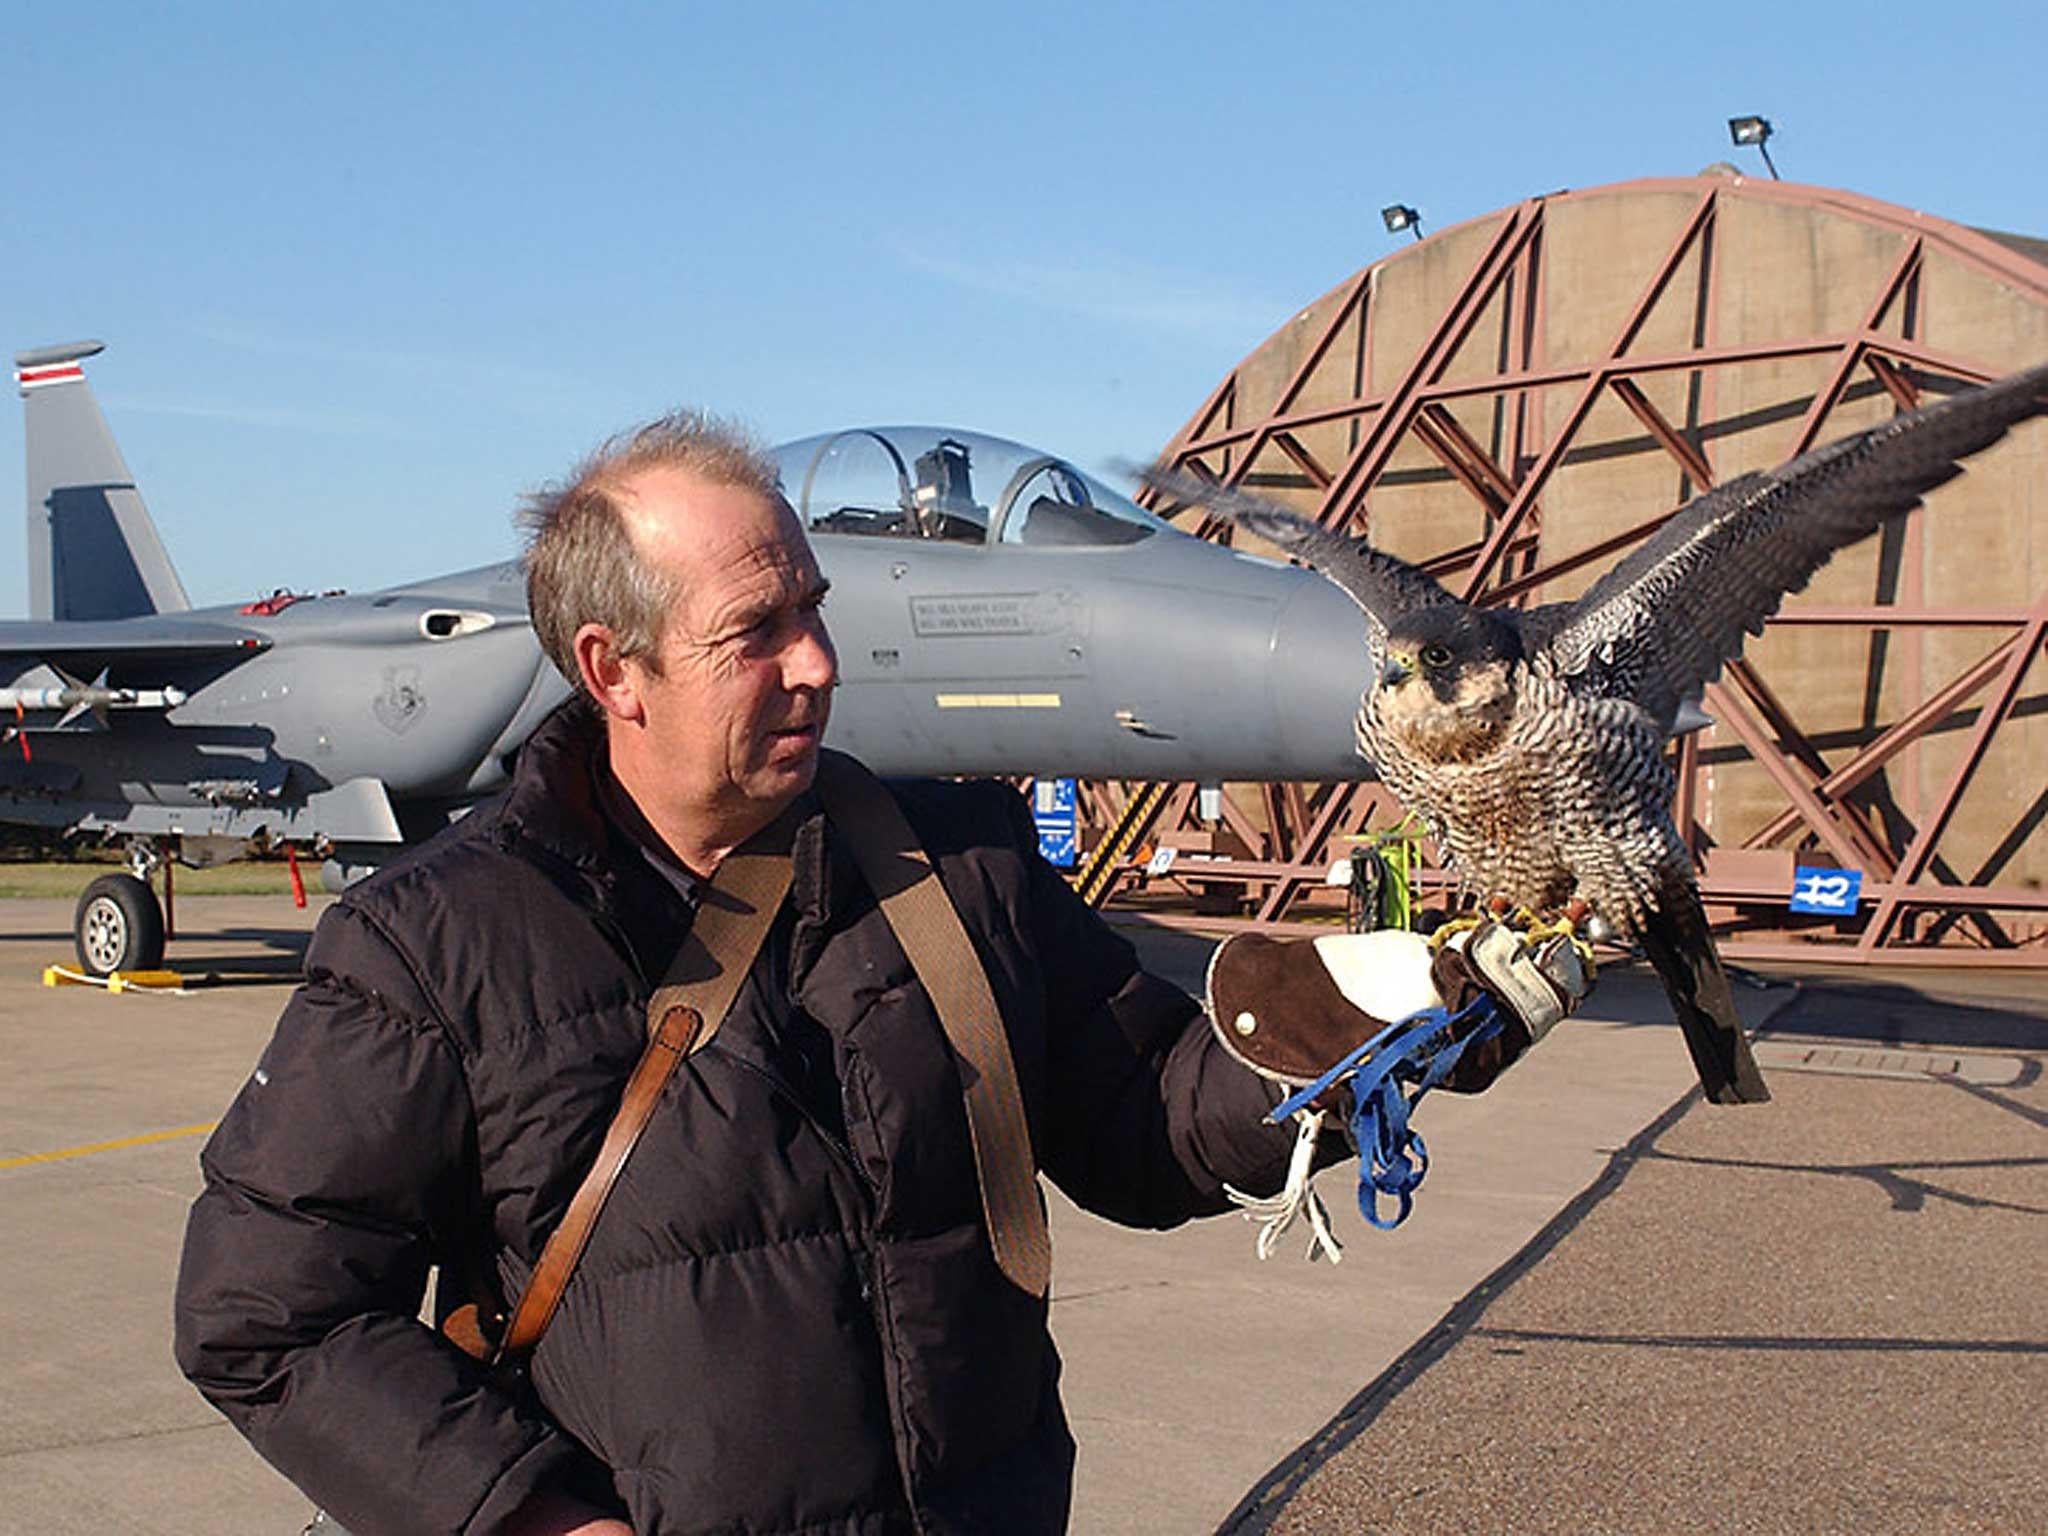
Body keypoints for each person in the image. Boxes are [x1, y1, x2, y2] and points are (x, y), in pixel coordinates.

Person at [174, 412, 1567, 1536]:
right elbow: (270, 1316)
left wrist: (1407, 1015)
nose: (820, 664)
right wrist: (533, 1523)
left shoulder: (959, 868)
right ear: (616, 669)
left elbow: (1151, 1122)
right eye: (757, 633)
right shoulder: (437, 944)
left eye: (814, 613)